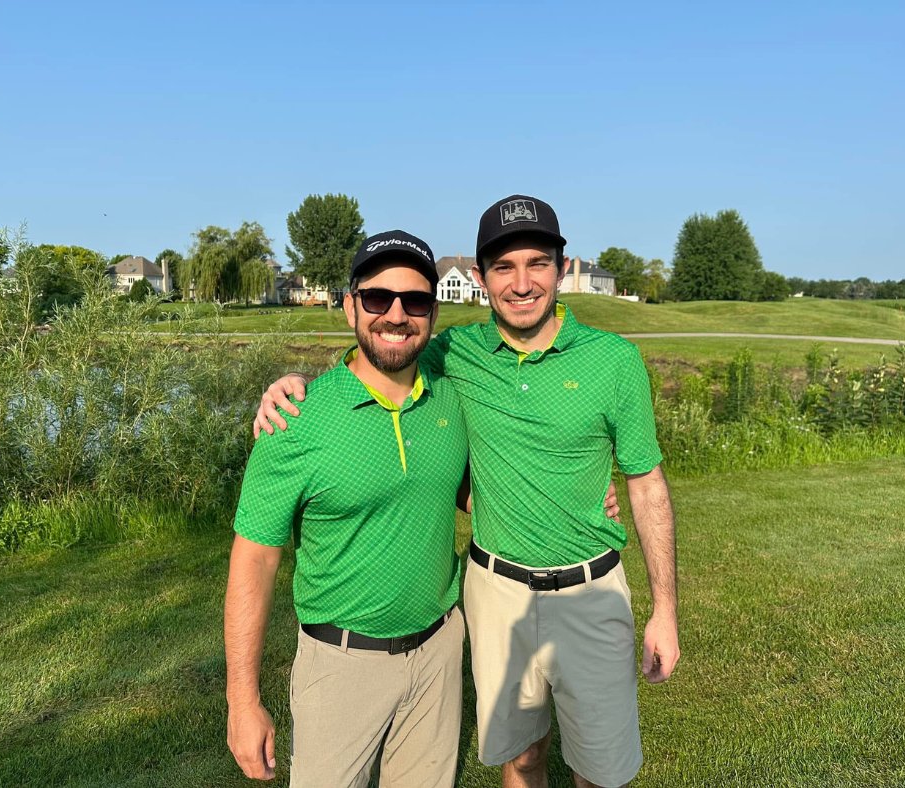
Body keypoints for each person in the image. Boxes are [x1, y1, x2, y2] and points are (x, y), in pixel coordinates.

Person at [255, 195, 679, 788]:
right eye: (504, 267)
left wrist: (665, 611)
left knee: (600, 773)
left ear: (562, 266)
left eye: (537, 263)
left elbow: (647, 485)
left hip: (593, 591)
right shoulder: (457, 352)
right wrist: (298, 384)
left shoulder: (615, 361)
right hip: (495, 590)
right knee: (522, 757)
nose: (523, 283)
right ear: (481, 279)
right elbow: (382, 346)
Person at [224, 231, 471, 787]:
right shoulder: (295, 420)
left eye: (416, 301)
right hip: (340, 663)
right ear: (349, 306)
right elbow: (254, 560)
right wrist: (242, 700)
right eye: (378, 298)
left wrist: (585, 491)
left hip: (438, 652)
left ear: (433, 313)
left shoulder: (451, 396)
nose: (397, 315)